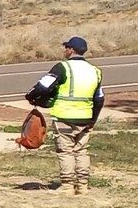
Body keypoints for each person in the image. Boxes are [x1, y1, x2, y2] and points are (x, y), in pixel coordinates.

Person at [27, 36, 104, 194]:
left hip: (64, 116)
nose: (65, 50)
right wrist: (93, 120)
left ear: (71, 50)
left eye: (66, 48)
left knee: (65, 151)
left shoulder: (63, 67)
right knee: (82, 151)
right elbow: (99, 98)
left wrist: (31, 96)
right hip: (85, 117)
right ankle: (82, 185)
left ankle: (67, 186)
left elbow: (43, 86)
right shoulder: (95, 71)